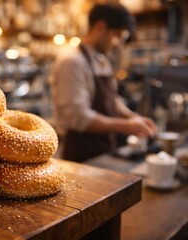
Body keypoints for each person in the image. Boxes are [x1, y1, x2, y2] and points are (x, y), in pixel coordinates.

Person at [49, 3, 156, 162]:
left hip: (103, 151)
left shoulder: (102, 60)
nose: (119, 44)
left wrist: (133, 118)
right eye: (118, 36)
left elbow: (111, 100)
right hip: (80, 156)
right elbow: (78, 117)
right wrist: (125, 126)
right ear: (100, 27)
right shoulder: (72, 61)